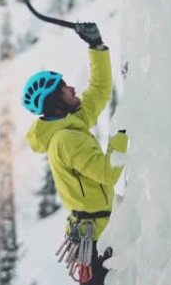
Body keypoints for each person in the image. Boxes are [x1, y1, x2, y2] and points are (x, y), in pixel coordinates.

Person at [22, 22, 128, 284]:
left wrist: (96, 46)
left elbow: (99, 91)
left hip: (96, 235)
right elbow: (108, 172)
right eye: (65, 88)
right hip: (96, 241)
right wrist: (124, 129)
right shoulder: (66, 140)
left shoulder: (70, 123)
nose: (72, 89)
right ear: (56, 102)